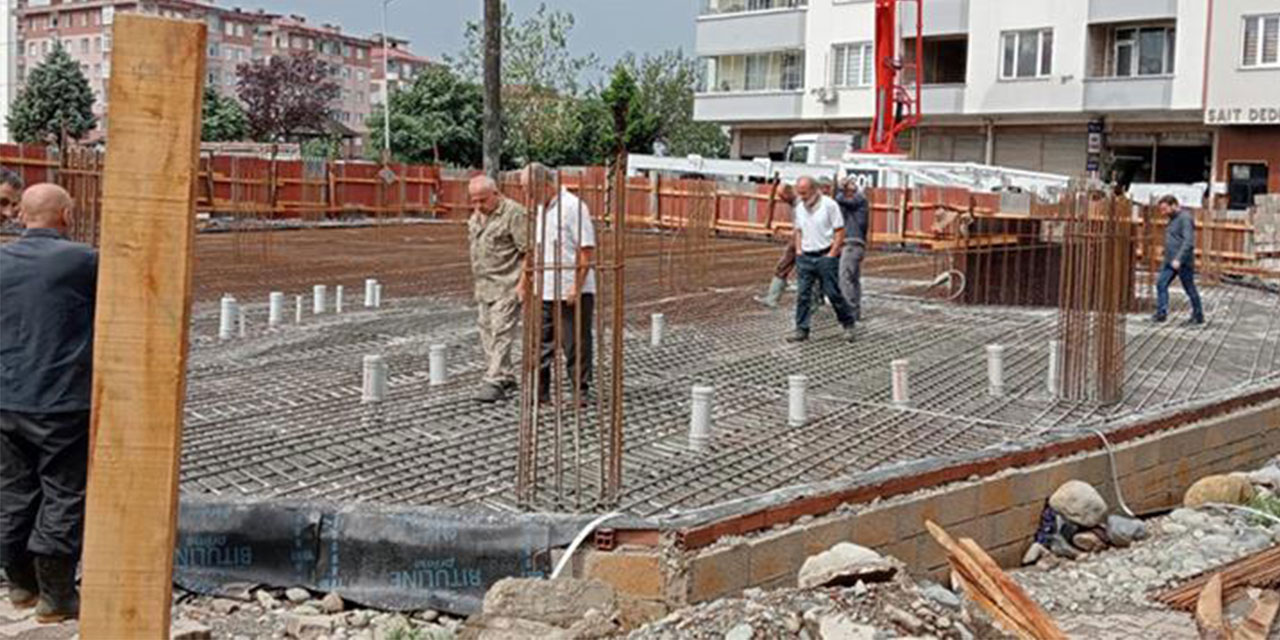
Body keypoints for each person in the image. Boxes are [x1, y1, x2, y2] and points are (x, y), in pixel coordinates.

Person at [0, 183, 97, 622]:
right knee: (62, 493)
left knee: (14, 491)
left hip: (6, 398)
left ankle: (21, 584)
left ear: (21, 215)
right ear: (66, 216)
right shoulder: (83, 261)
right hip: (60, 400)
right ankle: (56, 597)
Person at [534, 172, 597, 405]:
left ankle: (580, 390)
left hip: (570, 289)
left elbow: (586, 249)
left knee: (575, 342)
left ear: (546, 184)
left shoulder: (573, 207)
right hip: (546, 287)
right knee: (542, 341)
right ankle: (541, 392)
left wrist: (576, 287)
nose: (528, 196)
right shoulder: (541, 209)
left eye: (531, 189)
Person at [467, 175, 530, 403]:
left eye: (482, 200)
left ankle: (493, 380)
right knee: (486, 331)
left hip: (507, 284)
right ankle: (505, 376)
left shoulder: (515, 214)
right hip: (484, 286)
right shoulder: (478, 216)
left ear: (496, 194)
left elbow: (528, 252)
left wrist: (522, 285)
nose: (478, 206)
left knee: (501, 332)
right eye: (474, 201)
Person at [788, 176, 857, 343]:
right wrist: (799, 251)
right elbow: (798, 231)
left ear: (814, 190)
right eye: (799, 193)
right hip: (806, 256)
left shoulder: (829, 205)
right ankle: (801, 329)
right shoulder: (800, 208)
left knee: (833, 293)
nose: (802, 196)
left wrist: (832, 254)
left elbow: (839, 231)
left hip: (825, 255)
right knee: (803, 295)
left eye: (804, 193)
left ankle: (848, 323)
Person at [1152, 194, 1205, 326]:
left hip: (1182, 261)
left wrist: (1179, 258)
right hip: (1170, 260)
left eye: (1165, 209)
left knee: (1189, 288)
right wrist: (1166, 251)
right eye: (1161, 210)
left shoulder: (1185, 218)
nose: (1163, 213)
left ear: (1174, 205)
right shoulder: (1172, 218)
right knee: (1161, 284)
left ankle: (1198, 315)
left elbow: (1188, 242)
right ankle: (1161, 313)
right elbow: (1175, 238)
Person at [834, 177, 870, 321]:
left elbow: (840, 199)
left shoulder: (859, 200)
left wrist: (841, 189)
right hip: (854, 244)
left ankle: (849, 313)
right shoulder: (856, 203)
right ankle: (855, 312)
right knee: (853, 279)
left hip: (852, 244)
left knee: (845, 279)